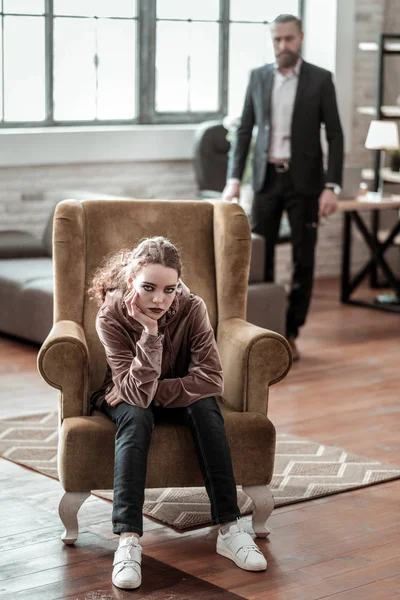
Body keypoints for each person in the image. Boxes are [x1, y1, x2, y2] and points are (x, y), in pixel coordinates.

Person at [88, 236, 267, 590]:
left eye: (169, 289)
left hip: (149, 391)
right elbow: (136, 399)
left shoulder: (192, 307)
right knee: (137, 417)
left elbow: (212, 380)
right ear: (130, 282)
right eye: (148, 288)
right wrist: (150, 334)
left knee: (206, 408)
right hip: (130, 398)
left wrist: (149, 390)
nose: (159, 299)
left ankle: (229, 528)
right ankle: (128, 540)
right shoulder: (110, 314)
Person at [223, 13, 344, 360]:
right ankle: (263, 330)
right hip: (265, 180)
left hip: (305, 181)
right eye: (276, 40)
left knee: (304, 256)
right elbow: (244, 130)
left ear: (300, 38)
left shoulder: (320, 80)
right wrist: (234, 180)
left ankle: (291, 331)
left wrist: (331, 185)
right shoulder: (258, 77)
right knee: (261, 256)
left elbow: (334, 135)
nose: (282, 46)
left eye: (288, 39)